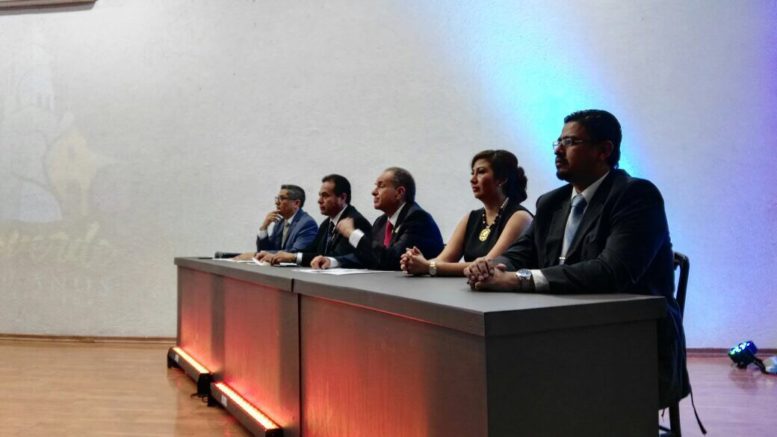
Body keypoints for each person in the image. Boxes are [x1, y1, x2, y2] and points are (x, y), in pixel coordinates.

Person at [465, 109, 689, 408]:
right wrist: (489, 266)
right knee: (502, 382)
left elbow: (612, 271)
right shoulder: (552, 202)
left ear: (603, 150)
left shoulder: (635, 195)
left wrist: (519, 280)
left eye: (570, 142)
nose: (558, 150)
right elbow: (521, 252)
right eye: (558, 142)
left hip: (629, 342)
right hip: (562, 330)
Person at [400, 150, 533, 276]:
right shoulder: (471, 218)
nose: (472, 179)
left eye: (481, 172)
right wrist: (416, 262)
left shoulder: (520, 217)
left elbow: (488, 265)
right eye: (472, 173)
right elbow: (443, 259)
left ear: (501, 179)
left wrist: (428, 267)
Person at [334, 167, 444, 270]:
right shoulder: (381, 221)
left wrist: (352, 234)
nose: (373, 192)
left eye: (381, 186)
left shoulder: (417, 218)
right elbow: (369, 256)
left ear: (399, 192)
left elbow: (392, 261)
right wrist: (333, 262)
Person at [266, 174, 372, 268]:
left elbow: (338, 255)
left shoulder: (355, 221)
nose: (319, 200)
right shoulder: (326, 224)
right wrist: (286, 256)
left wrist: (294, 257)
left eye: (325, 196)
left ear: (342, 197)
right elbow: (313, 251)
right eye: (320, 195)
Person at [235, 184, 317, 262]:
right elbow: (266, 250)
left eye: (282, 198)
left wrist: (256, 255)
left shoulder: (307, 224)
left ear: (296, 203)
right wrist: (264, 227)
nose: (277, 202)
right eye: (277, 198)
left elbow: (293, 254)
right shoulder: (280, 223)